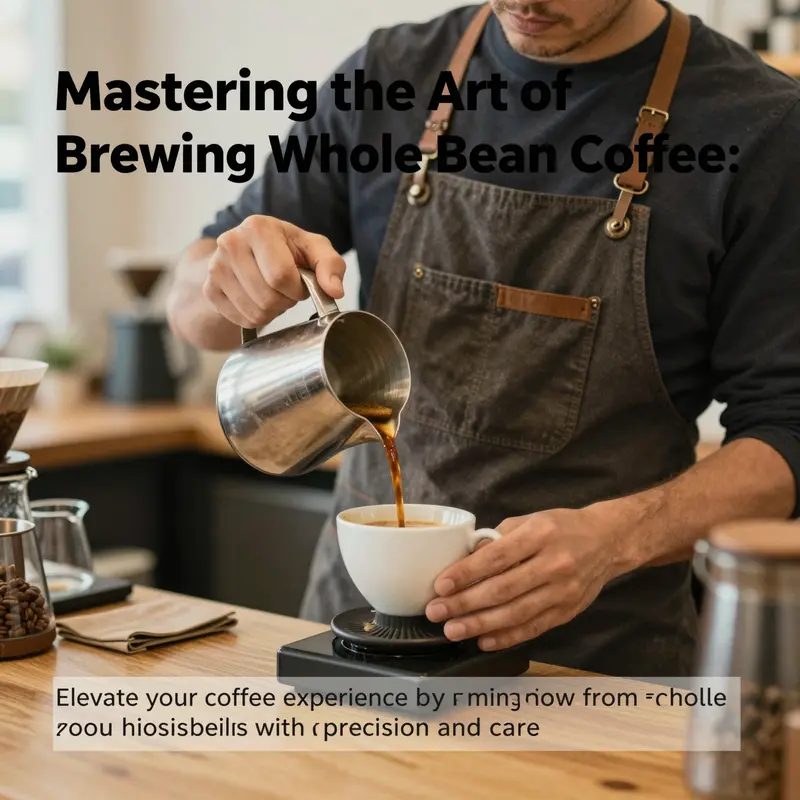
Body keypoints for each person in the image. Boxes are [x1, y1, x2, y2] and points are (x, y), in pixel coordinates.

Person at [167, 0, 800, 676]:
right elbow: (192, 305)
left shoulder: (760, 124)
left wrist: (615, 540)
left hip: (593, 665)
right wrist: (227, 278)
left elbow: (785, 438)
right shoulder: (394, 73)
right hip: (355, 644)